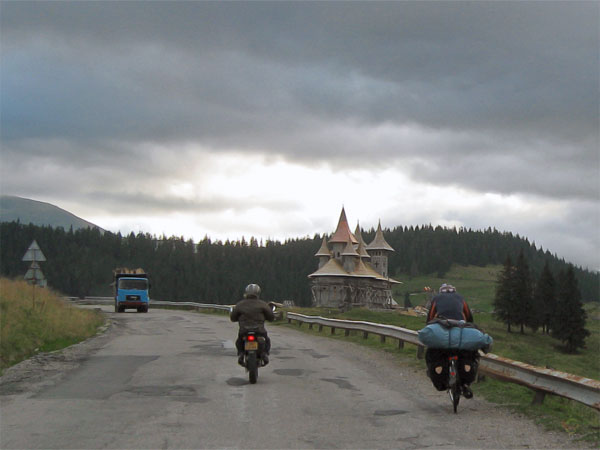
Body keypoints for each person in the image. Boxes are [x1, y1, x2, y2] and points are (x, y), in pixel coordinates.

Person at [425, 284, 479, 398]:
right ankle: (465, 382)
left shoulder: (436, 298)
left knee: (433, 351)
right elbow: (469, 316)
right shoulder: (460, 297)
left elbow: (430, 317)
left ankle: (439, 375)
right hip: (460, 327)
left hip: (441, 326)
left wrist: (429, 326)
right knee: (467, 351)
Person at [230, 283, 275, 366]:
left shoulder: (240, 304)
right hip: (259, 330)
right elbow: (271, 317)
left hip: (244, 330)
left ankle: (241, 354)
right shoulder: (263, 304)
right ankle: (264, 354)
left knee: (239, 341)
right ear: (258, 293)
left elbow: (233, 318)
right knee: (267, 340)